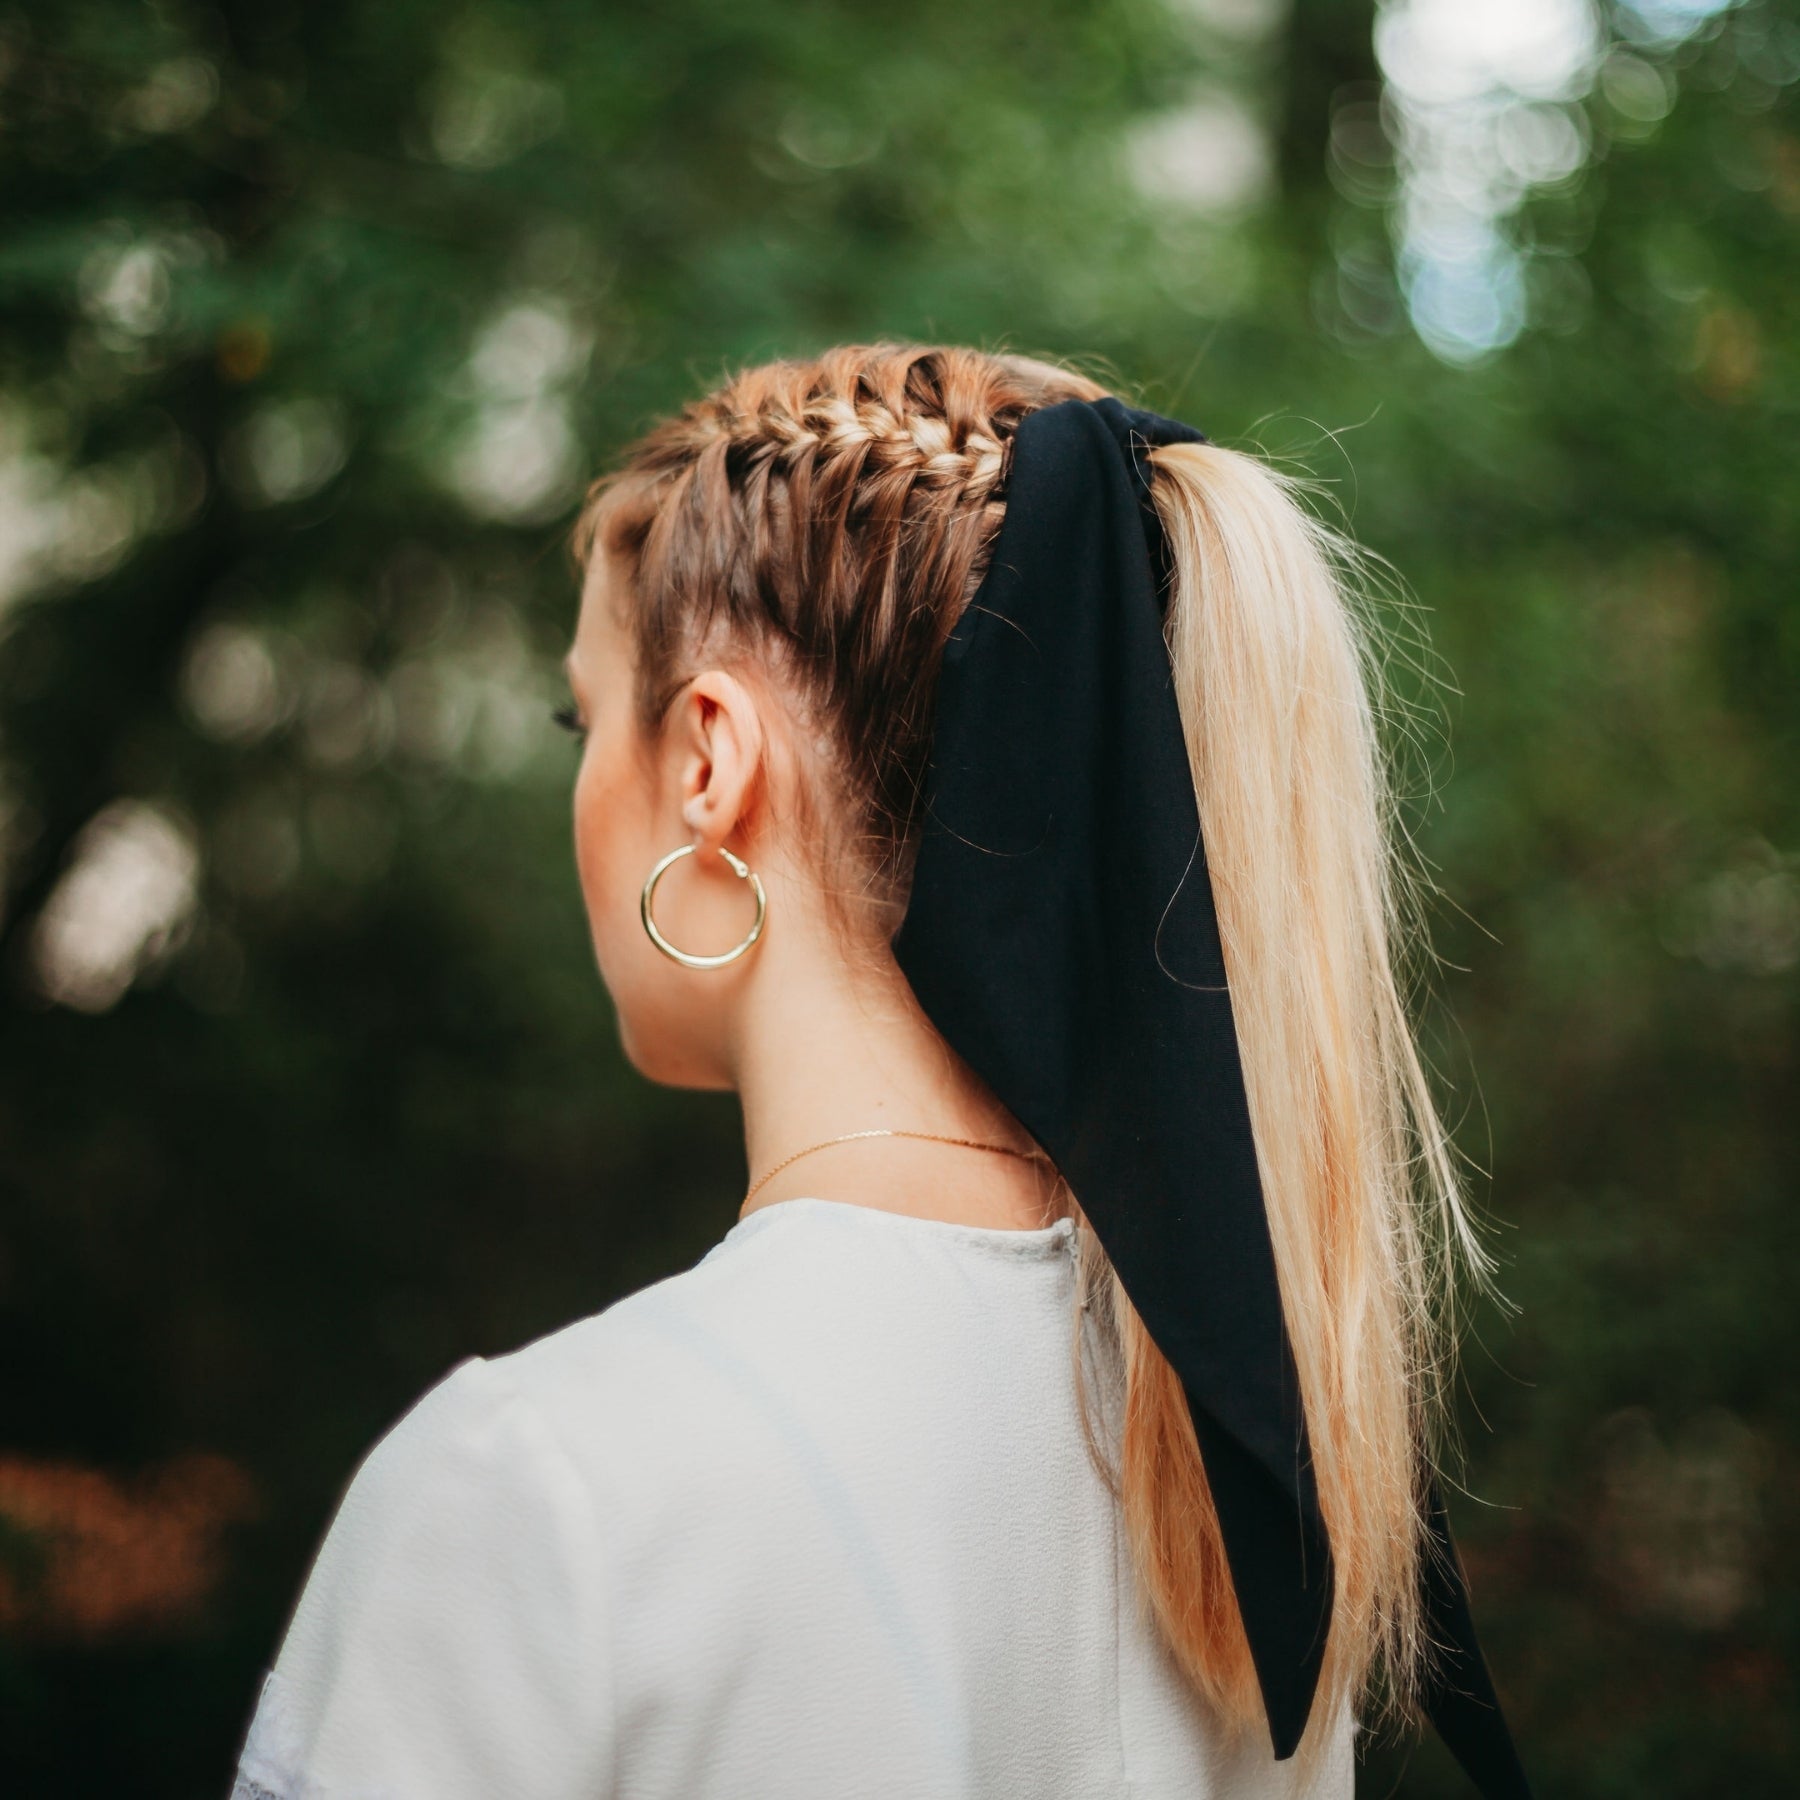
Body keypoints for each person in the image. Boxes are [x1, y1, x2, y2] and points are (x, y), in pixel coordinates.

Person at [228, 345, 1521, 1799]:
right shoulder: (1247, 1497)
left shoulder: (537, 1485)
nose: (580, 786)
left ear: (710, 761)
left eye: (580, 721)